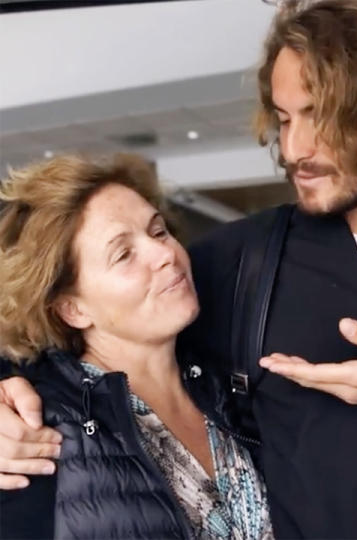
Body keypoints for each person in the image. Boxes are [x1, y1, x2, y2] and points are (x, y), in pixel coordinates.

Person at [0, 1, 357, 538]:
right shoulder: (239, 264)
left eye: (319, 114)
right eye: (284, 118)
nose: (294, 148)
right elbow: (46, 339)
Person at [0, 154, 273, 539]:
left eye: (158, 231)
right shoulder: (39, 433)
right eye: (124, 254)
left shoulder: (227, 384)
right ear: (72, 308)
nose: (166, 255)